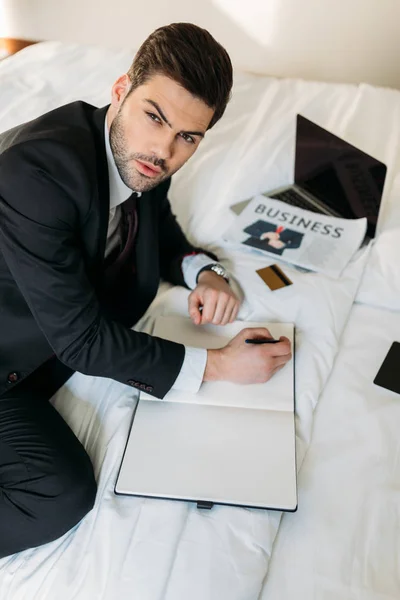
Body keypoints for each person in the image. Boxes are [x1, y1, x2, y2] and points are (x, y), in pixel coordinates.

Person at [0, 23, 292, 558]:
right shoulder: (36, 174)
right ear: (120, 90)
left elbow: (158, 223)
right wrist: (219, 365)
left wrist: (205, 272)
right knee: (59, 495)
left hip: (33, 350)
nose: (164, 149)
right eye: (154, 116)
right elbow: (83, 341)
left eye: (189, 137)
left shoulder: (141, 158)